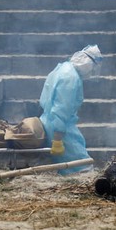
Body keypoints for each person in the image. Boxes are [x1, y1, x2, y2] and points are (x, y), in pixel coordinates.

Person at [39, 44, 103, 174]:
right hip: (60, 127)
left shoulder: (64, 68)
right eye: (93, 68)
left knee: (70, 164)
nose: (92, 72)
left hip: (51, 121)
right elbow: (61, 108)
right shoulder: (71, 78)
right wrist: (57, 138)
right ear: (88, 64)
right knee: (82, 166)